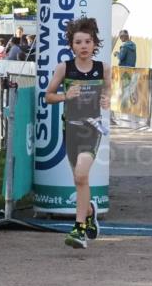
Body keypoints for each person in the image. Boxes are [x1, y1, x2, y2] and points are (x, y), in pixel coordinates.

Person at [44, 17, 111, 250]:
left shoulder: (103, 68)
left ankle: (79, 229)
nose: (83, 46)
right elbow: (48, 96)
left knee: (82, 175)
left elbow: (109, 90)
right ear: (71, 45)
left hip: (91, 129)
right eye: (78, 42)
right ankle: (89, 211)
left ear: (95, 44)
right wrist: (65, 96)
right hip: (70, 128)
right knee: (79, 180)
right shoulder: (64, 68)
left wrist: (106, 99)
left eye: (88, 41)